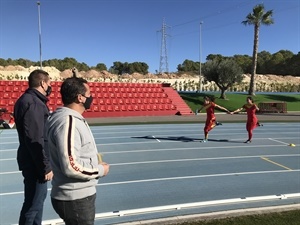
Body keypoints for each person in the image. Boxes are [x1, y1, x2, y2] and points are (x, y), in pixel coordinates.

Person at [46, 72, 110, 225]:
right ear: (80, 97)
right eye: (89, 94)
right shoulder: (68, 122)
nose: (91, 97)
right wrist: (100, 170)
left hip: (76, 195)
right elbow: (71, 167)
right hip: (75, 197)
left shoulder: (67, 119)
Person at [13, 69, 54, 225]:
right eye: (49, 83)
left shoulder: (27, 100)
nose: (50, 86)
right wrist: (45, 166)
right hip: (35, 163)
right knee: (33, 206)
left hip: (32, 161)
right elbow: (35, 139)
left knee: (36, 204)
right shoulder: (34, 103)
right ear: (43, 83)